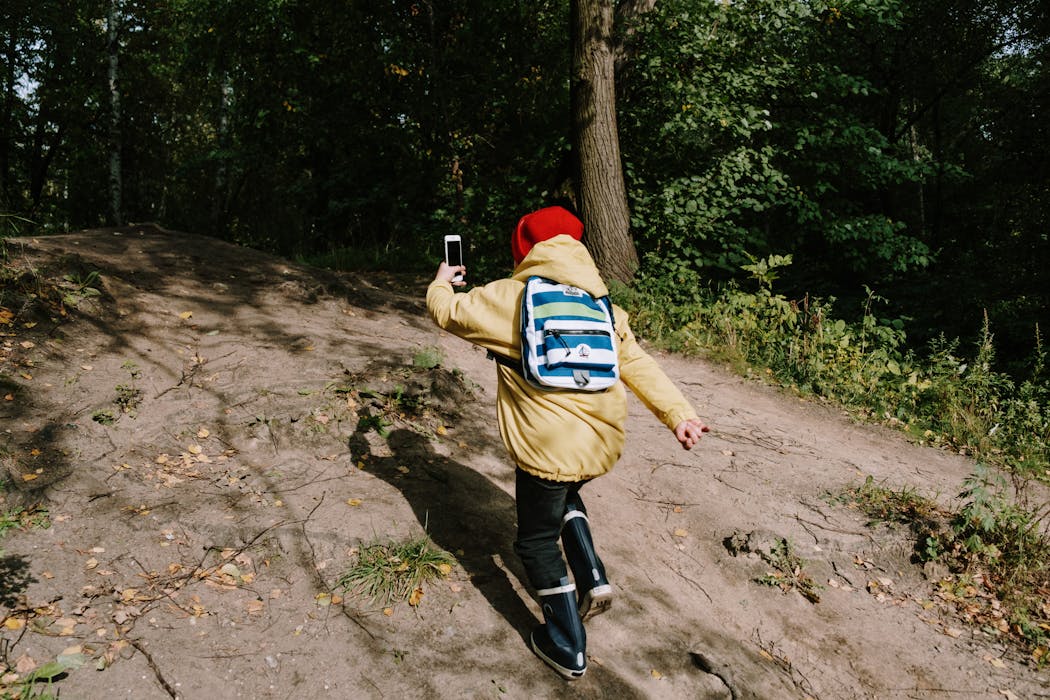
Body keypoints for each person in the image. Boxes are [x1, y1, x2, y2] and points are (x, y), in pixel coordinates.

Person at [426, 206, 708, 680]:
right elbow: (636, 364)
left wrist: (441, 280)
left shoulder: (510, 298)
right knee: (568, 488)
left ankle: (566, 643)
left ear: (525, 248)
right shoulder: (603, 305)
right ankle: (592, 575)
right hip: (600, 443)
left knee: (535, 540)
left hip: (546, 446)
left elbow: (446, 312)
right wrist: (679, 415)